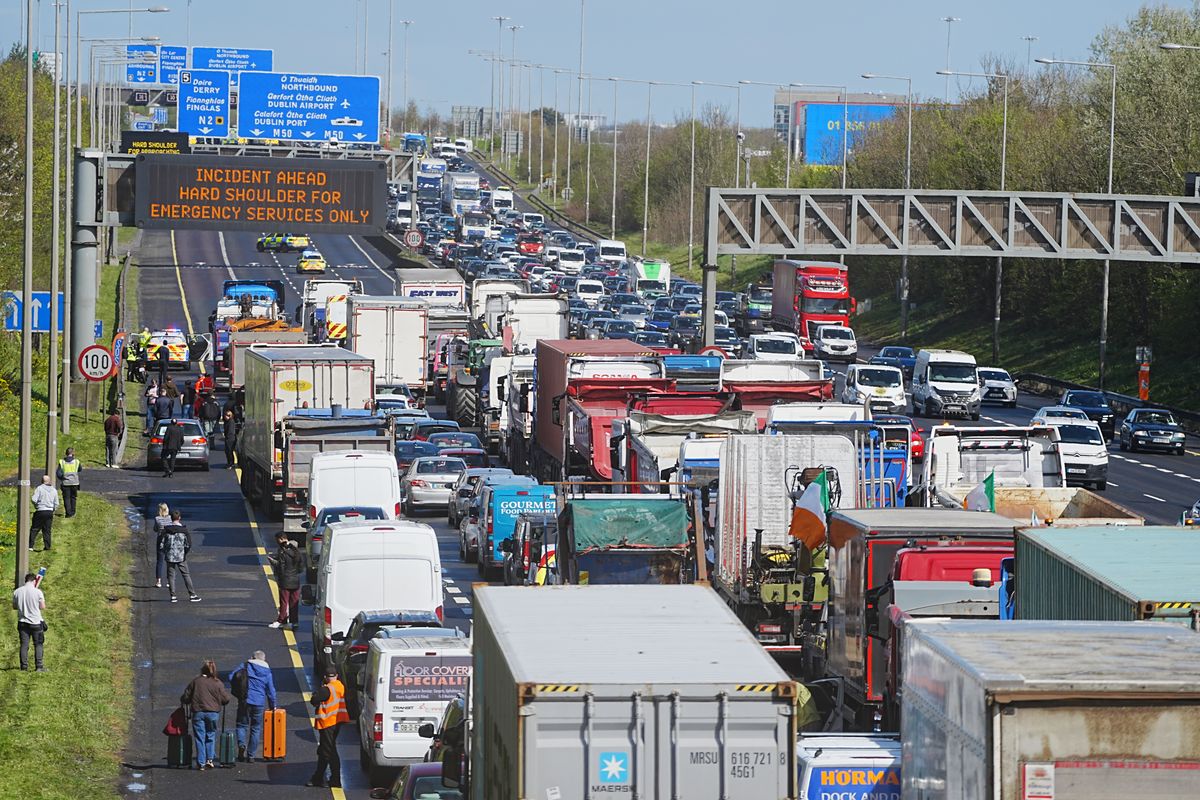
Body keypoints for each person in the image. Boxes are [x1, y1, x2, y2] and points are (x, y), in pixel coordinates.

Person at [181, 659, 231, 771]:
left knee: (200, 737)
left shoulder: (196, 681)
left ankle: (201, 762)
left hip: (198, 712)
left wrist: (186, 701)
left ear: (202, 669)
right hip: (213, 713)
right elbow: (226, 699)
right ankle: (210, 759)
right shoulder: (217, 683)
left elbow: (186, 697)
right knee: (211, 735)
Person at [229, 650, 277, 763]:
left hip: (244, 700)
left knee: (241, 725)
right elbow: (271, 692)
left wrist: (238, 689)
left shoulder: (245, 666)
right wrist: (273, 706)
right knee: (255, 728)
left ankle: (241, 744)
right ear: (264, 659)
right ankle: (251, 756)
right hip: (258, 703)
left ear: (252, 657)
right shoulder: (267, 672)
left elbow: (231, 676)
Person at [306, 668, 349, 788]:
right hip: (337, 721)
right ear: (337, 676)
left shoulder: (326, 689)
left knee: (329, 751)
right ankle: (318, 777)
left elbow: (314, 700)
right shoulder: (340, 686)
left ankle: (334, 779)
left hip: (327, 723)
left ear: (325, 677)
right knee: (325, 750)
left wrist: (320, 688)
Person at [268, 531, 304, 629]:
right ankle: (294, 622)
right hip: (295, 580)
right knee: (294, 602)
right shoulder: (296, 551)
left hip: (285, 580)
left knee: (284, 602)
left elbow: (281, 566)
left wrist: (272, 561)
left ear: (281, 539)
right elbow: (301, 567)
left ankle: (281, 620)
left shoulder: (282, 551)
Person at [162, 509, 200, 602]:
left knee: (171, 576)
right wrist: (184, 553)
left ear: (171, 518)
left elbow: (161, 544)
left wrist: (166, 552)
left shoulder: (166, 530)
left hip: (169, 555)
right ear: (179, 518)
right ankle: (192, 594)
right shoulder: (184, 531)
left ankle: (173, 596)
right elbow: (188, 544)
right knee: (186, 574)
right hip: (181, 556)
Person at [12, 572, 46, 672]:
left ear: (26, 580)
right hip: (35, 622)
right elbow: (42, 607)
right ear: (34, 581)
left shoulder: (17, 592)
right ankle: (39, 666)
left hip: (22, 622)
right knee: (38, 644)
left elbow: (14, 606)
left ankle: (24, 667)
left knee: (24, 644)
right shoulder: (38, 592)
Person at [30, 476, 57, 551]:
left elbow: (34, 499)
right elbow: (56, 503)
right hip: (49, 512)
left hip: (40, 511)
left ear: (41, 481)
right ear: (49, 481)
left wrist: (36, 505)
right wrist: (53, 510)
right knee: (47, 530)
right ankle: (47, 546)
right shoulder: (54, 490)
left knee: (35, 528)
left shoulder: (39, 488)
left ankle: (30, 546)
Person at [56, 448, 81, 518]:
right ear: (73, 453)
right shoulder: (76, 462)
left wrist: (62, 478)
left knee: (66, 498)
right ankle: (73, 512)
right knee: (73, 497)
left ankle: (68, 512)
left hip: (66, 483)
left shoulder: (62, 462)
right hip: (75, 483)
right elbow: (80, 469)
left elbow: (58, 473)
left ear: (66, 453)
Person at [153, 502, 172, 589]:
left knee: (159, 561)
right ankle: (169, 581)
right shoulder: (170, 518)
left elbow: (155, 529)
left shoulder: (157, 519)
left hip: (160, 540)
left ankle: (158, 581)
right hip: (169, 541)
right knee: (169, 561)